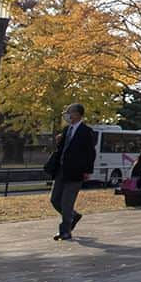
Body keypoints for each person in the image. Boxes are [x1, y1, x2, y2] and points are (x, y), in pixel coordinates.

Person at [47, 103, 96, 241]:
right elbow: (62, 149)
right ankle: (73, 216)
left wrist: (87, 170)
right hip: (61, 169)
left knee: (66, 202)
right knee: (55, 199)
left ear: (77, 114)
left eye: (69, 111)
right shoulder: (66, 129)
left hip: (76, 172)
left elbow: (90, 153)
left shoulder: (86, 131)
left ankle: (65, 230)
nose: (67, 114)